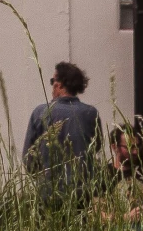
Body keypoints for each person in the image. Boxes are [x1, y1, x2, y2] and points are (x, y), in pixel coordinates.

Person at [22, 62, 102, 199]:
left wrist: (42, 180)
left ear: (58, 84)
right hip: (82, 192)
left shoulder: (41, 112)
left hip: (48, 192)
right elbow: (96, 146)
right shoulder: (90, 113)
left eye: (53, 81)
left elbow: (28, 156)